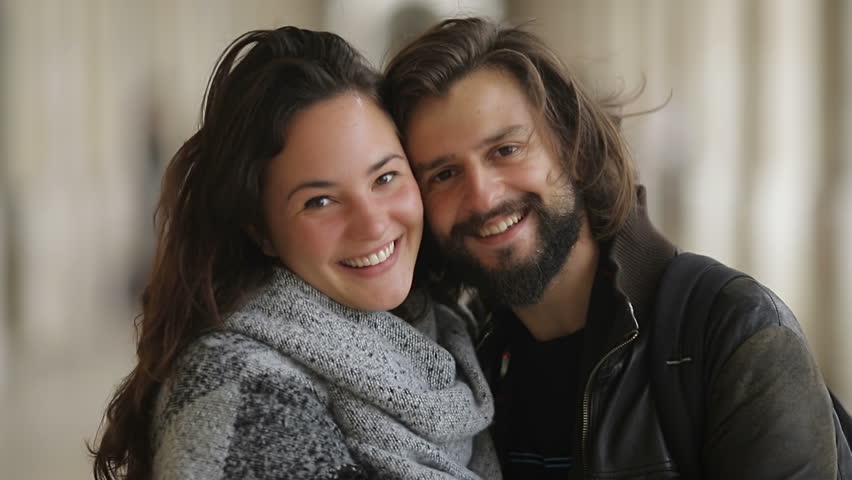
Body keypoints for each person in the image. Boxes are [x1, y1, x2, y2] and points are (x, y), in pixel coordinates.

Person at [384, 17, 847, 479]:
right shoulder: (462, 362)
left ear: (578, 150)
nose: (483, 197)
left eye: (506, 150)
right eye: (444, 175)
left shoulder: (733, 331)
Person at [90, 26, 500, 480]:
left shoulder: (448, 332)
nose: (373, 223)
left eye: (385, 178)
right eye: (319, 201)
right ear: (261, 231)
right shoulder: (241, 391)